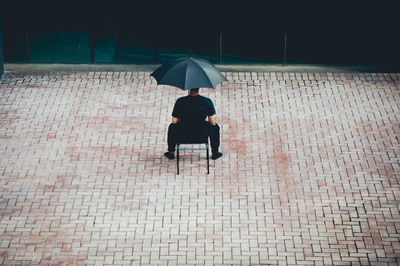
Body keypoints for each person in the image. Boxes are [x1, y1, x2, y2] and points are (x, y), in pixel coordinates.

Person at [164, 88, 223, 160]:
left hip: (183, 133)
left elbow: (174, 121)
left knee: (172, 127)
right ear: (199, 88)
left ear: (188, 89)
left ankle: (171, 152)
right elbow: (212, 122)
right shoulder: (207, 101)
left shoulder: (180, 101)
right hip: (201, 134)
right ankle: (215, 152)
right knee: (215, 127)